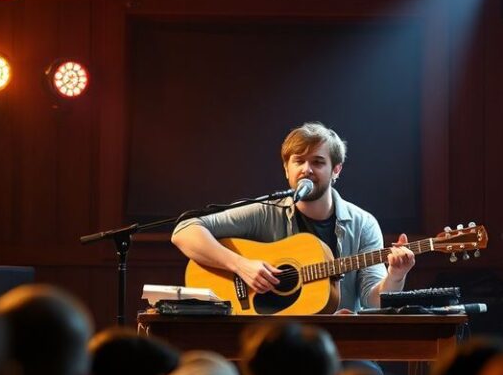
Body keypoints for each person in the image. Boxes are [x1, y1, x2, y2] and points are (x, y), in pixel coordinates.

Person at [171, 121, 415, 313]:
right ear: (286, 168)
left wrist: (396, 275)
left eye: (318, 162)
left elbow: (374, 302)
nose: (306, 169)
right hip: (276, 340)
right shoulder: (266, 211)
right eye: (298, 161)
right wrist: (241, 265)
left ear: (336, 170)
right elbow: (185, 231)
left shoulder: (363, 224)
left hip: (343, 344)